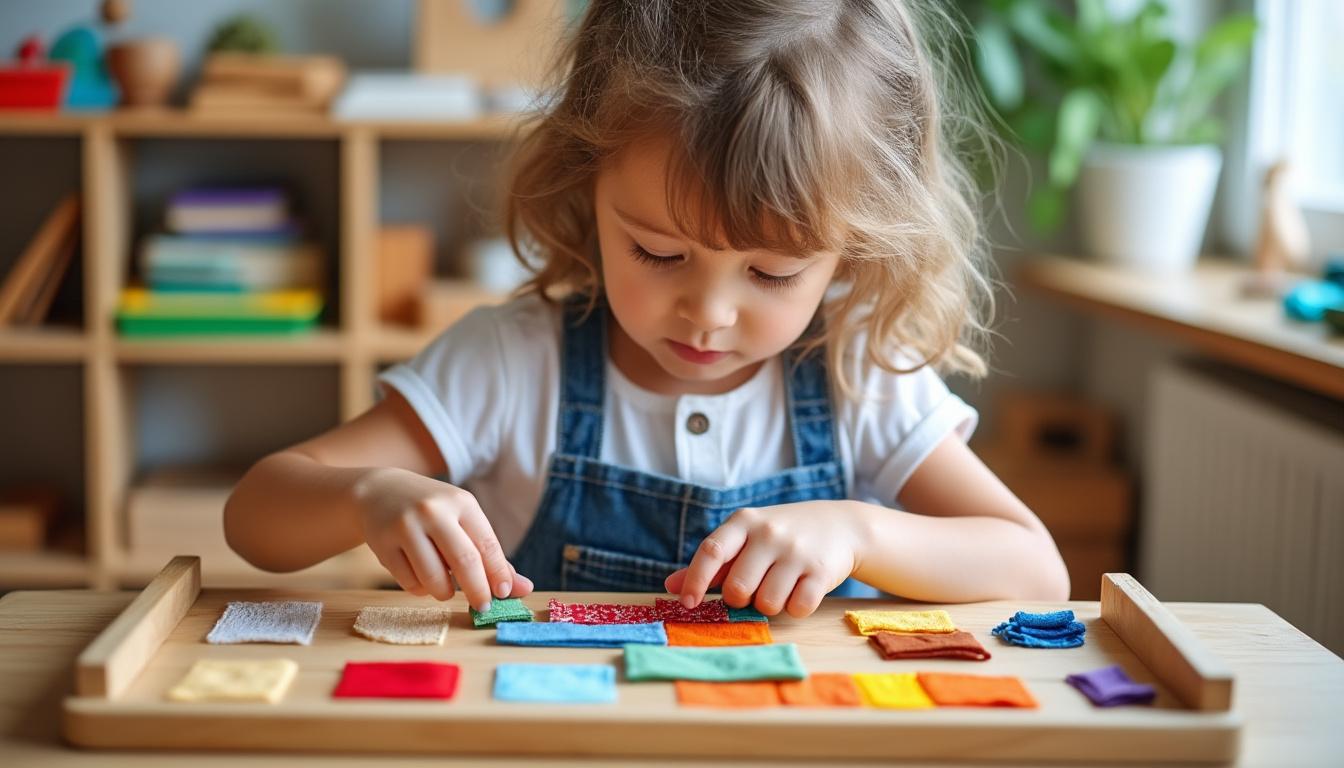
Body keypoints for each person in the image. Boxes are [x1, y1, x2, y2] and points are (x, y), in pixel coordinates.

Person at [224, 0, 1070, 617]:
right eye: (660, 254)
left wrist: (862, 532)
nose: (707, 313)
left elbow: (1037, 572)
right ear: (584, 182)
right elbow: (256, 515)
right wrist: (368, 495)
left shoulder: (857, 377)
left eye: (772, 273)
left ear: (856, 244)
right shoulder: (513, 363)